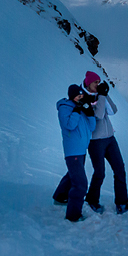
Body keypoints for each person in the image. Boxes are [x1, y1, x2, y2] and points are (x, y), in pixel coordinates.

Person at [81, 71, 128, 215]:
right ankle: (91, 200)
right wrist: (101, 96)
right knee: (100, 172)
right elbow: (99, 115)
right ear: (89, 83)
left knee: (120, 168)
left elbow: (113, 110)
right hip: (95, 142)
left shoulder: (99, 96)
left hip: (110, 139)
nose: (98, 85)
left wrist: (105, 95)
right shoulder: (84, 99)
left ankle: (122, 202)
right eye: (96, 82)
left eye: (99, 82)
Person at [52, 84, 97, 222]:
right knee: (80, 184)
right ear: (72, 96)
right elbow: (69, 125)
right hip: (73, 151)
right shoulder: (65, 108)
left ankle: (59, 197)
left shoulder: (81, 108)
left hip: (81, 150)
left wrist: (89, 113)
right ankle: (73, 215)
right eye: (78, 96)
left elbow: (92, 127)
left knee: (72, 175)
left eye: (81, 95)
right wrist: (77, 111)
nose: (80, 98)